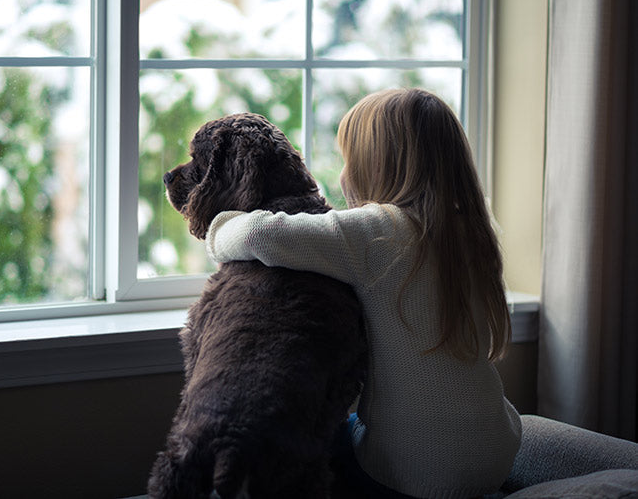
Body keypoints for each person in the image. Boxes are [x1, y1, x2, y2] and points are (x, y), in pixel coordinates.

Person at [205, 88, 522, 498]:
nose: (342, 174)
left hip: (416, 475)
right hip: (497, 451)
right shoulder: (477, 229)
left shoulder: (379, 232)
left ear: (377, 165)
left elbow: (260, 233)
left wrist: (216, 228)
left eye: (348, 159)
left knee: (324, 434)